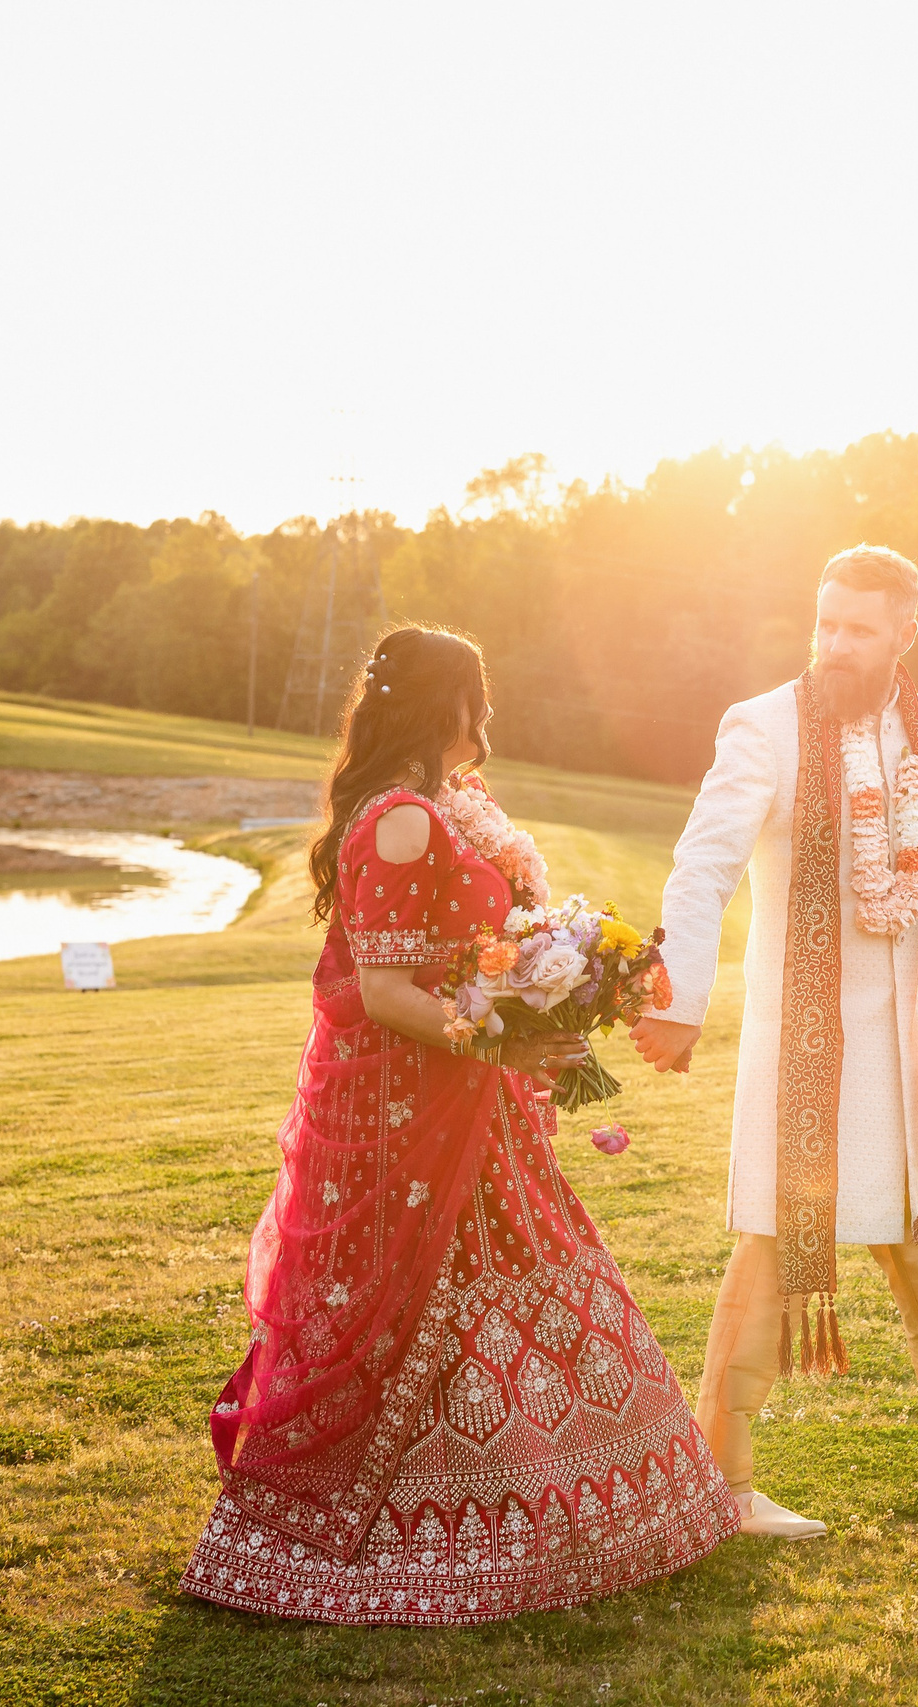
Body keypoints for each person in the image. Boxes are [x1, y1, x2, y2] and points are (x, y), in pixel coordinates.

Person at [184, 625, 737, 1624]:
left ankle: (572, 1506)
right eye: (476, 702)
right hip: (414, 1100)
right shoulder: (400, 820)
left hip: (473, 1095)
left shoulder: (453, 810)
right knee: (422, 1287)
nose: (485, 722)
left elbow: (480, 947)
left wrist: (550, 994)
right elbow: (386, 989)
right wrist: (495, 1043)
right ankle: (405, 1541)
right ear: (453, 707)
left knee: (525, 1262)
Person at [630, 545, 918, 1540]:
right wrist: (680, 997)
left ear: (904, 635)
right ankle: (721, 1480)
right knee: (776, 1231)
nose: (835, 644)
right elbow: (701, 870)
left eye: (859, 629)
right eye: (826, 622)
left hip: (902, 1040)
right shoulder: (762, 728)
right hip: (802, 1042)